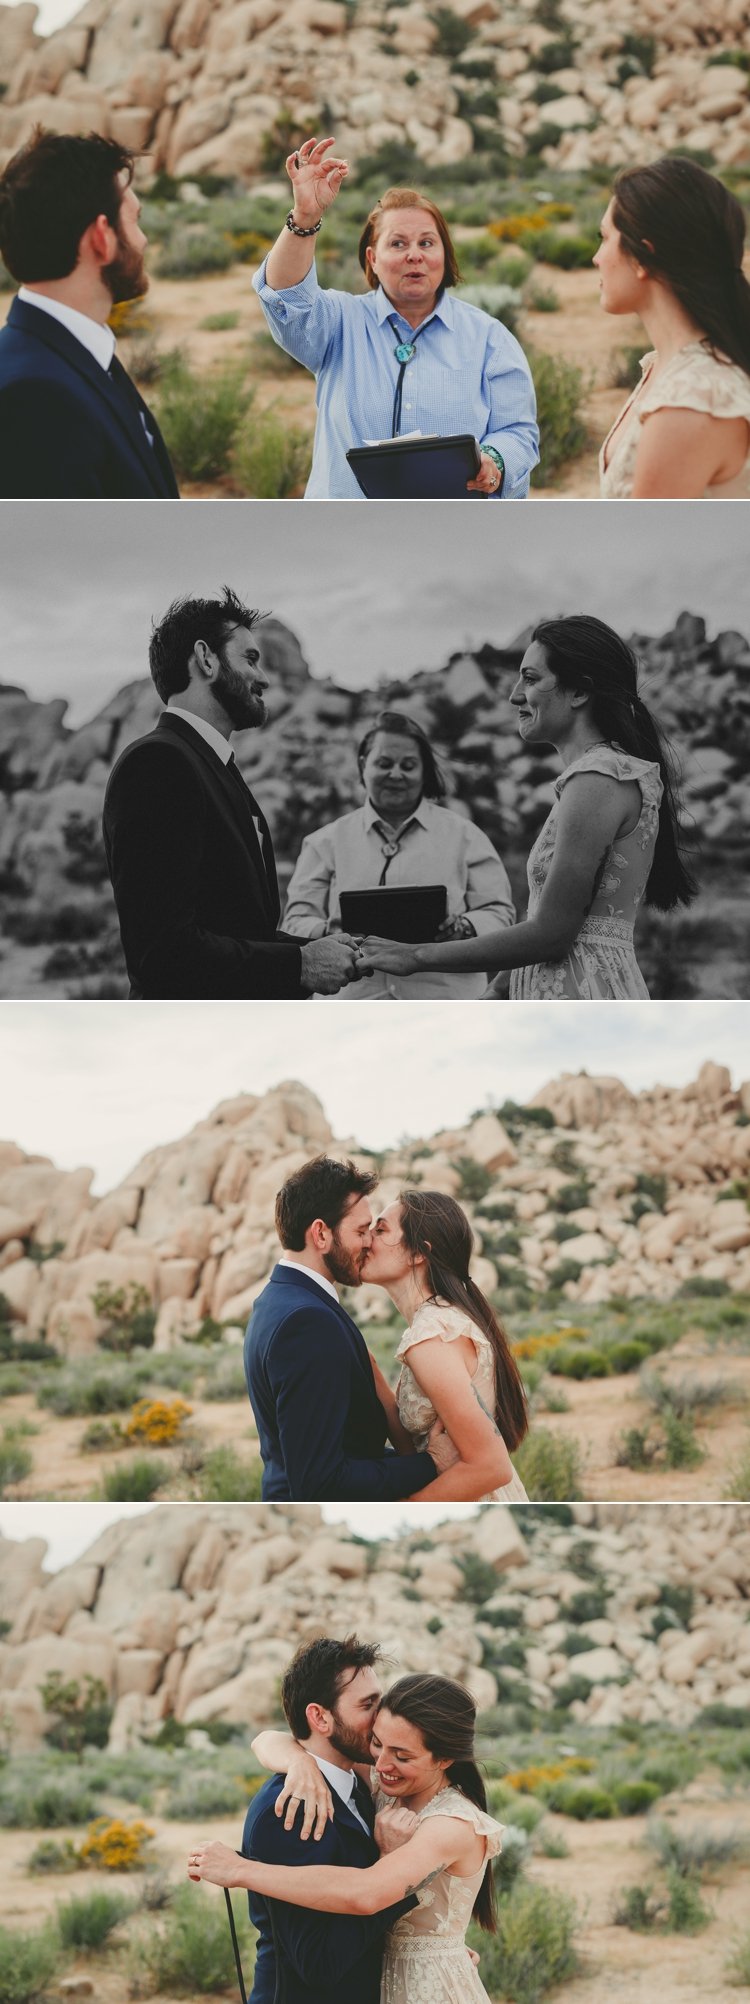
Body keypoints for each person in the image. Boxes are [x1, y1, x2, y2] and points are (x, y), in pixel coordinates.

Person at [359, 615, 696, 1000]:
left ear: (579, 692)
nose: (515, 695)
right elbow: (551, 921)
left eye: (531, 679)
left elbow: (552, 934)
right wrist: (500, 987)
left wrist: (415, 956)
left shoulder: (596, 780)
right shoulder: (605, 774)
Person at [188, 1665, 504, 2004]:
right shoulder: (381, 1783)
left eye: (402, 1755)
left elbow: (366, 1894)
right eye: (377, 1743)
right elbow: (267, 1739)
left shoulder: (450, 1825)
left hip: (428, 1988)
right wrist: (299, 1762)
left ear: (444, 1759)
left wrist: (240, 1870)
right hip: (380, 1980)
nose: (382, 1764)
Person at [102, 589, 359, 1000]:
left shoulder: (210, 764)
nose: (265, 679)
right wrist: (300, 965)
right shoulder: (157, 764)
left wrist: (311, 949)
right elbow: (162, 954)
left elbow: (235, 930)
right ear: (206, 659)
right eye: (250, 659)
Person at [252, 136, 538, 498]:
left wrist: (494, 461)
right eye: (398, 243)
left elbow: (518, 431)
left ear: (444, 255)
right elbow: (286, 296)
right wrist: (305, 217)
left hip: (452, 535)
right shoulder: (340, 322)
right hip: (348, 537)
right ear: (372, 258)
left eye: (427, 243)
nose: (414, 255)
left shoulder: (489, 338)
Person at [244, 1156, 450, 1500]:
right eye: (360, 1231)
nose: (369, 1242)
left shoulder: (280, 1300)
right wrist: (430, 1464)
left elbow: (335, 1453)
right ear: (321, 1234)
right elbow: (321, 1481)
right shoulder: (306, 1322)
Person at [283, 711, 515, 999]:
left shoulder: (466, 836)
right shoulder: (325, 841)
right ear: (363, 765)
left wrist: (465, 927)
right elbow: (295, 920)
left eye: (408, 765)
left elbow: (501, 914)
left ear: (424, 772)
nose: (396, 774)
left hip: (445, 1007)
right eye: (384, 763)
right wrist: (328, 929)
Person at [0, 128, 178, 499]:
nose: (143, 239)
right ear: (102, 237)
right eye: (134, 219)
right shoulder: (35, 396)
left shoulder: (63, 353)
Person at [596, 156, 750, 497]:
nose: (596, 257)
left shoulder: (693, 399)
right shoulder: (668, 367)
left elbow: (646, 546)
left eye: (604, 238)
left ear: (642, 257)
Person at [362, 1188, 528, 1501]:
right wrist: (368, 1369)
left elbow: (492, 1467)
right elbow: (417, 1443)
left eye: (381, 1229)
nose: (367, 1238)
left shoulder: (433, 1334)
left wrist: (406, 1507)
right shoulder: (439, 1321)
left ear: (418, 1253)